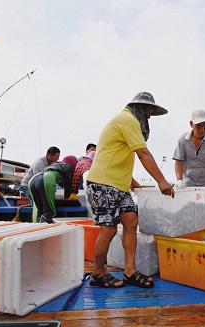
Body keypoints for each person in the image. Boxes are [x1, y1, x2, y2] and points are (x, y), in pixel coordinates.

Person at [86, 91, 174, 288]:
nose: (150, 115)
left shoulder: (127, 122)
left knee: (131, 221)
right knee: (108, 229)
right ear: (140, 108)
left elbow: (117, 156)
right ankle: (98, 274)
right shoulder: (128, 120)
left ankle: (129, 271)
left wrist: (134, 183)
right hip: (103, 183)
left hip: (119, 184)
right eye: (149, 110)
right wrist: (162, 181)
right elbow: (143, 153)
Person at [172, 109, 205, 192]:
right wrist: (179, 180)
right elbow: (178, 160)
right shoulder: (182, 140)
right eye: (199, 125)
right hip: (188, 181)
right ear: (191, 124)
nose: (203, 129)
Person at [28, 155, 78, 223]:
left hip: (32, 180)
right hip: (46, 179)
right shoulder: (68, 168)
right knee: (48, 210)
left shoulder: (56, 165)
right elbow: (68, 186)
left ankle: (37, 224)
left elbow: (61, 182)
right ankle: (46, 225)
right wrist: (69, 200)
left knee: (39, 209)